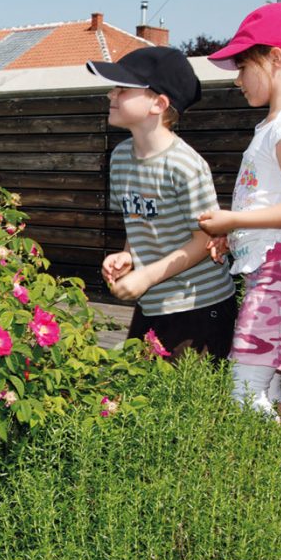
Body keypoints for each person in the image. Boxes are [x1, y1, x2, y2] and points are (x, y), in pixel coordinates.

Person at [199, 3, 281, 420]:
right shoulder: (278, 123)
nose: (237, 80)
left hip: (279, 274)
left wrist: (233, 220)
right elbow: (269, 199)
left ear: (276, 57)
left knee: (244, 388)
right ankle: (274, 468)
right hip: (270, 269)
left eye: (242, 67)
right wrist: (233, 235)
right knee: (266, 386)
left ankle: (251, 475)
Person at [88, 47, 236, 360]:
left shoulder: (185, 165)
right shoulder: (121, 157)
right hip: (153, 301)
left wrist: (146, 276)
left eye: (123, 89)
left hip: (198, 306)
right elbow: (136, 220)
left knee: (186, 404)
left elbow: (206, 240)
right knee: (140, 395)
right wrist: (126, 257)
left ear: (158, 103)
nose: (110, 95)